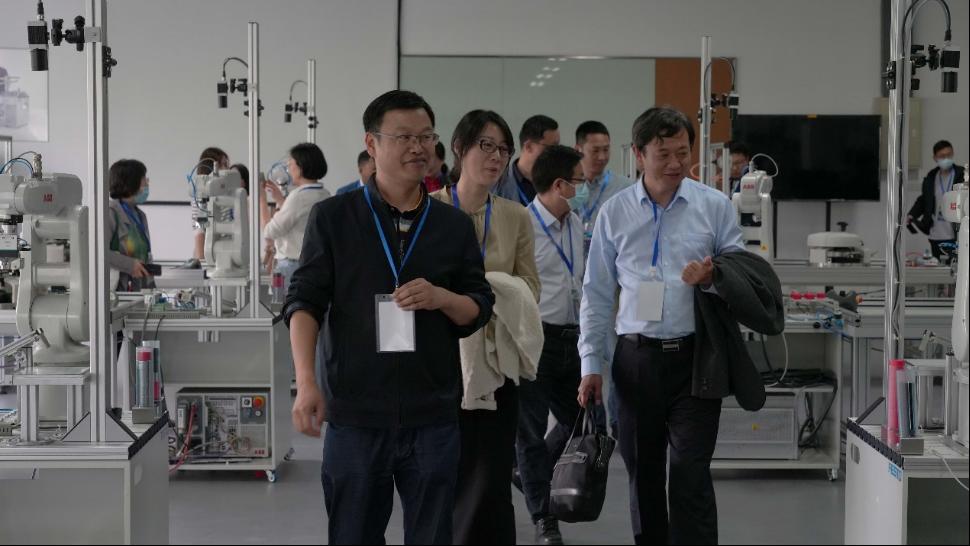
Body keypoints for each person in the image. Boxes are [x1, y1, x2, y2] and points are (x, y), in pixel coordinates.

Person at [285, 90, 494, 545]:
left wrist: (442, 297)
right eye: (404, 137)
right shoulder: (334, 218)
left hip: (432, 414)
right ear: (372, 143)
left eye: (426, 137)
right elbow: (304, 303)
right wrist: (306, 381)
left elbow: (479, 307)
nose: (418, 147)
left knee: (433, 535)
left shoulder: (452, 225)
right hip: (356, 413)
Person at [578, 107, 745, 545]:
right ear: (638, 154)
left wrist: (713, 276)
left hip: (697, 359)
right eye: (663, 154)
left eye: (682, 153)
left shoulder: (713, 206)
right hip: (636, 361)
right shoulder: (614, 214)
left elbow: (743, 274)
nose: (675, 163)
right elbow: (596, 294)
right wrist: (591, 364)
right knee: (644, 475)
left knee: (690, 471)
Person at [430, 109, 541, 545]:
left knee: (491, 475)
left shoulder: (515, 216)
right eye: (486, 146)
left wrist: (482, 291)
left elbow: (530, 286)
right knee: (444, 470)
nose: (496, 157)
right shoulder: (430, 209)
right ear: (460, 148)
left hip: (496, 361)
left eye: (504, 149)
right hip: (440, 360)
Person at [518, 145, 588, 545]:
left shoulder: (575, 223)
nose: (583, 187)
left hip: (572, 339)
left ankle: (530, 472)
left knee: (584, 422)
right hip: (535, 340)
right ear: (560, 185)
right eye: (579, 181)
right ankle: (544, 518)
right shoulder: (522, 225)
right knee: (528, 432)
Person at [260, 143, 331, 284]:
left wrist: (261, 201)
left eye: (290, 163)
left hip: (292, 266)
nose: (288, 167)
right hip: (312, 264)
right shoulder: (324, 193)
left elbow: (270, 231)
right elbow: (300, 219)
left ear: (301, 167)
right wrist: (281, 201)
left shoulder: (298, 197)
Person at [574, 121, 635, 251]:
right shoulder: (566, 186)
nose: (602, 157)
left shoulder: (625, 188)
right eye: (595, 150)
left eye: (606, 150)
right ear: (578, 149)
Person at [908, 140, 965, 261]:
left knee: (956, 268)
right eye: (942, 156)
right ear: (935, 158)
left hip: (956, 233)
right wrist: (912, 214)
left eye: (949, 155)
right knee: (938, 268)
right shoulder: (931, 177)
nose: (946, 159)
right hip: (936, 234)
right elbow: (924, 200)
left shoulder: (961, 175)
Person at [107, 159, 155, 291]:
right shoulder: (110, 213)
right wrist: (129, 265)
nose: (147, 183)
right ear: (131, 183)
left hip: (139, 291)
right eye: (144, 179)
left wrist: (153, 291)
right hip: (117, 294)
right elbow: (98, 253)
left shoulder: (140, 216)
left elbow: (145, 257)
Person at [493, 115, 560, 205]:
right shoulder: (497, 183)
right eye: (552, 148)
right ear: (529, 146)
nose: (556, 153)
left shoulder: (560, 183)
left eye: (558, 147)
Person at [192, 147, 232, 261]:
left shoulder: (229, 195)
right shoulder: (201, 196)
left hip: (229, 254)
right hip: (209, 257)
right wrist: (202, 263)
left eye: (227, 164)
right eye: (224, 164)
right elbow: (199, 230)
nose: (227, 169)